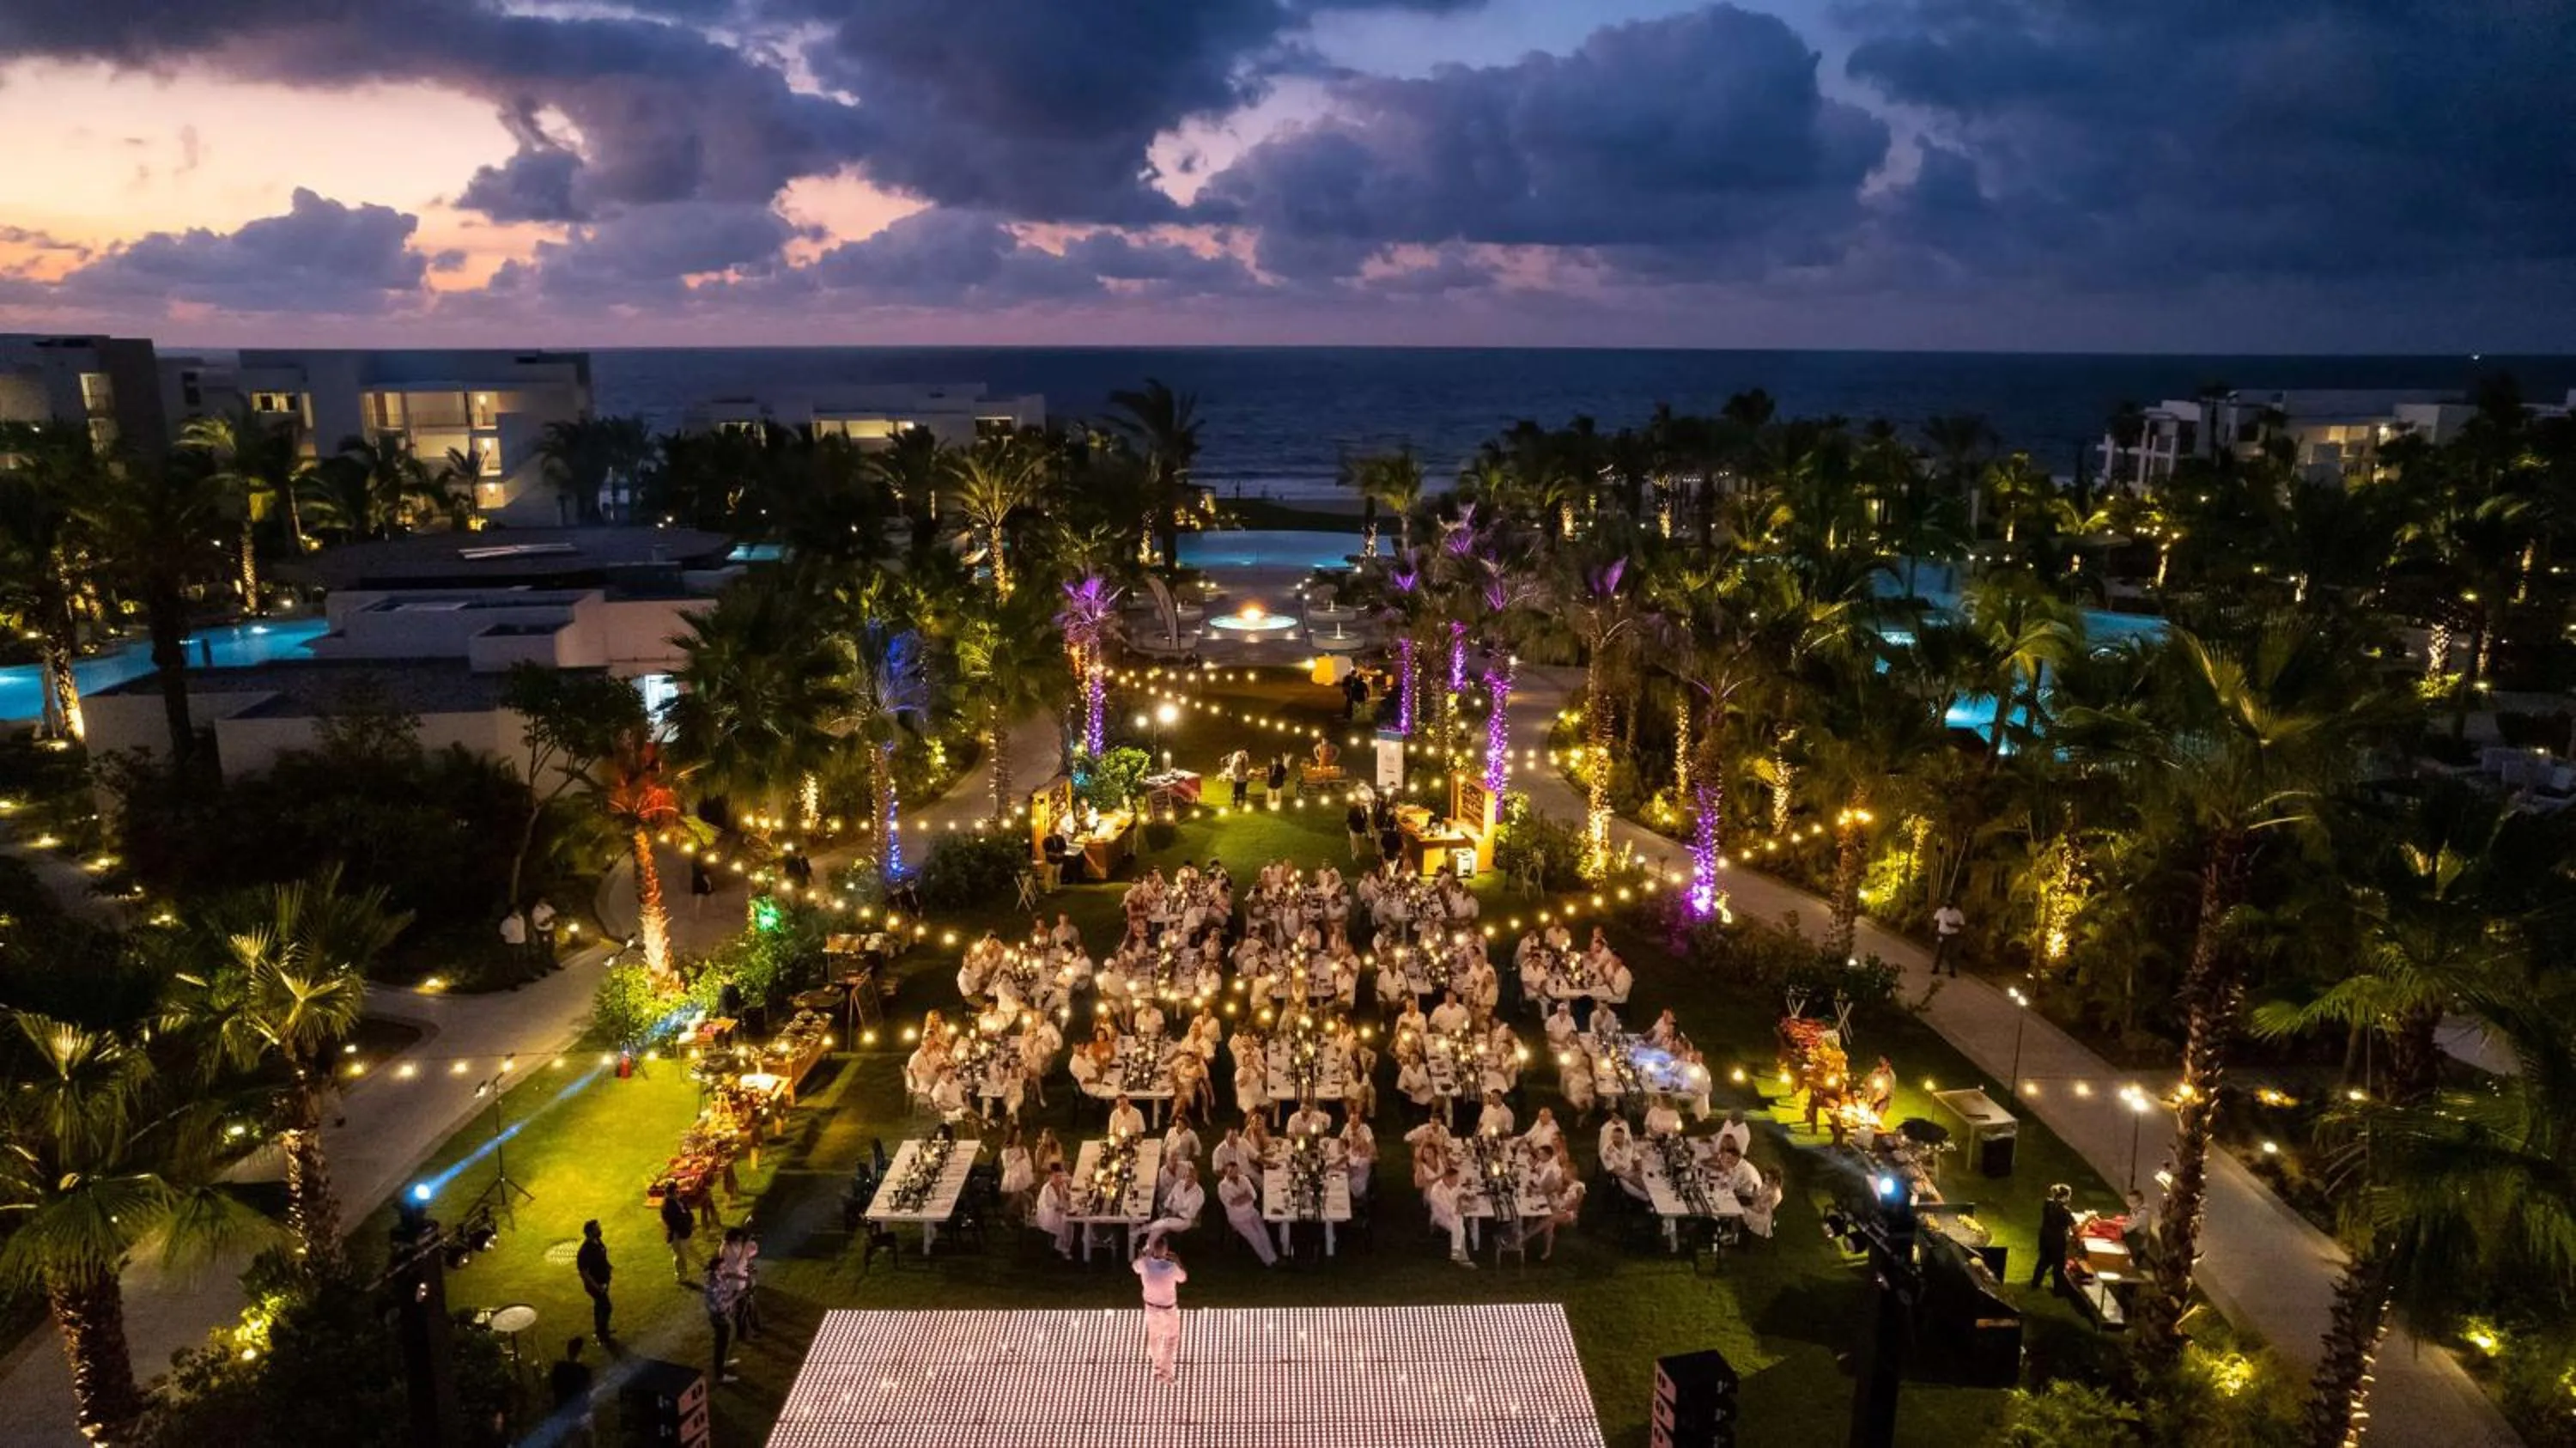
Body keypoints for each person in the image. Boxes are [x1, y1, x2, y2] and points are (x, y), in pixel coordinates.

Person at [1134, 1235, 1188, 1382]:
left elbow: (1135, 1267)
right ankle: (1165, 1371)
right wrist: (1177, 1261)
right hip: (1168, 1309)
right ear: (1166, 1250)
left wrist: (1142, 1255)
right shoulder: (1171, 1268)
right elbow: (1183, 1278)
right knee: (1171, 1338)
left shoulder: (1144, 1264)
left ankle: (1157, 1367)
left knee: (1154, 1336)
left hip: (1151, 1307)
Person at [1217, 1159, 1278, 1266]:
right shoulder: (1222, 1186)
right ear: (1226, 1172)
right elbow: (1231, 1204)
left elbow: (1254, 1195)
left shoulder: (1244, 1179)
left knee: (1263, 1233)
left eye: (1236, 1170)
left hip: (1252, 1212)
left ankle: (1273, 1258)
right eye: (1231, 1171)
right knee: (1254, 1237)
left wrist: (1240, 1199)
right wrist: (1245, 1196)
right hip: (1238, 1218)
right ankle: (1268, 1261)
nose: (1235, 1173)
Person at [702, 1255, 742, 1385]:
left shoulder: (717, 1276)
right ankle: (720, 1375)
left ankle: (723, 1362)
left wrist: (740, 1277)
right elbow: (722, 1306)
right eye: (723, 1267)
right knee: (721, 1345)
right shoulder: (714, 1285)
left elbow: (727, 1275)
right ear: (717, 1269)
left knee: (724, 1342)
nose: (725, 1268)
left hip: (721, 1315)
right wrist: (736, 1297)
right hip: (719, 1317)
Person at [574, 1220, 614, 1346]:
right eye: (597, 1228)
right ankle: (602, 1334)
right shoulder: (585, 1251)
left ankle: (600, 1331)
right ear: (591, 1232)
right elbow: (584, 1273)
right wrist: (598, 1287)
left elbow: (602, 1254)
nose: (600, 1230)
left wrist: (608, 1266)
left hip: (603, 1282)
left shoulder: (597, 1242)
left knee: (599, 1307)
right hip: (596, 1286)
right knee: (607, 1308)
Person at [1426, 1163, 1474, 1267]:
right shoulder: (1437, 1191)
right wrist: (1462, 1208)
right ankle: (1462, 1257)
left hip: (1452, 1214)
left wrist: (1466, 1196)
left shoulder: (1453, 1184)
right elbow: (1447, 1209)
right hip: (1440, 1217)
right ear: (1447, 1179)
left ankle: (1457, 1252)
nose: (1456, 1182)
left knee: (1459, 1222)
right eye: (1454, 1180)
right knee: (1460, 1226)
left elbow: (1460, 1191)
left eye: (1457, 1180)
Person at [719, 1226, 762, 1341]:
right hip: (735, 1284)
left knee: (750, 1304)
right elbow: (738, 1267)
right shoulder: (726, 1249)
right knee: (741, 1309)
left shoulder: (734, 1245)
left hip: (744, 1280)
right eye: (739, 1239)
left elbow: (753, 1251)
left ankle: (754, 1327)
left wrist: (750, 1245)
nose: (740, 1241)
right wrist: (746, 1248)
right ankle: (742, 1333)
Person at [548, 1336, 594, 1441]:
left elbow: (552, 1386)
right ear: (581, 1352)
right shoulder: (583, 1370)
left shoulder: (558, 1368)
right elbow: (589, 1389)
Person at [2032, 1182, 2075, 1293]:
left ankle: (2035, 1283)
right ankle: (2058, 1290)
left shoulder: (2048, 1203)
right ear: (2065, 1197)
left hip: (2045, 1236)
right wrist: (2089, 1218)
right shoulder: (2065, 1211)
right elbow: (2076, 1228)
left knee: (2043, 1260)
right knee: (2059, 1265)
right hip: (2057, 1240)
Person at [1035, 1163, 1077, 1258]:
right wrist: (1064, 1208)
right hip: (1048, 1214)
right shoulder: (1047, 1189)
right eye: (1056, 1177)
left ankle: (1066, 1245)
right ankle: (1063, 1249)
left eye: (1060, 1176)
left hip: (1059, 1211)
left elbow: (1066, 1199)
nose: (1059, 1179)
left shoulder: (1062, 1185)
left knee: (1069, 1219)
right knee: (1065, 1222)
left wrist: (1067, 1196)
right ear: (1050, 1177)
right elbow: (1051, 1206)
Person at [659, 1187, 697, 1284]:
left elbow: (687, 1211)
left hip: (685, 1232)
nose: (679, 1194)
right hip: (677, 1235)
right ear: (670, 1194)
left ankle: (703, 1265)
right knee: (680, 1257)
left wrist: (692, 1221)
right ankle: (681, 1276)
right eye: (676, 1192)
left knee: (690, 1250)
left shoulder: (679, 1200)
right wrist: (688, 1223)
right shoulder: (667, 1207)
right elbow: (676, 1222)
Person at [1931, 898, 1966, 976]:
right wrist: (1936, 929)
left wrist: (1953, 925)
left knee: (1953, 953)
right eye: (1947, 903)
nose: (1948, 905)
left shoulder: (1958, 913)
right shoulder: (1941, 911)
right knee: (1939, 952)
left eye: (1950, 903)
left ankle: (1952, 970)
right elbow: (1935, 920)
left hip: (1953, 935)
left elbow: (1962, 925)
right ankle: (1935, 968)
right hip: (1942, 934)